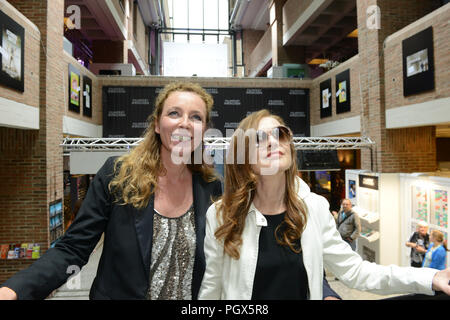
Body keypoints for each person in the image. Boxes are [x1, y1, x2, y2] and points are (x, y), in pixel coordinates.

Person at [0, 81, 223, 300]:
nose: (185, 122)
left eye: (196, 117)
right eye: (174, 113)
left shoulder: (210, 188)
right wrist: (15, 290)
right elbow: (72, 249)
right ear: (156, 124)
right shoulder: (117, 176)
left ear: (204, 129)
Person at [198, 109, 450, 300]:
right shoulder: (222, 215)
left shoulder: (314, 208)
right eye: (259, 139)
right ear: (245, 158)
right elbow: (212, 288)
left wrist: (429, 277)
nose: (273, 142)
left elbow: (356, 272)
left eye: (280, 134)